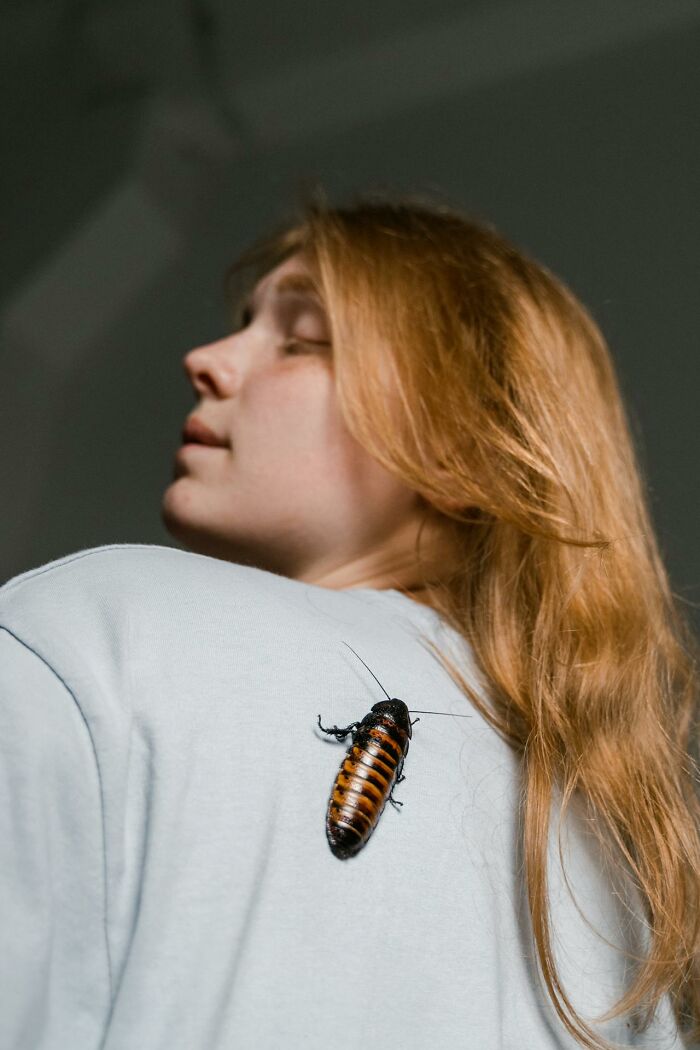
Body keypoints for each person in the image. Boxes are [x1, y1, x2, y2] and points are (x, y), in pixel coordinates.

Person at [0, 189, 697, 1050]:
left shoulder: (97, 632)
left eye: (300, 341)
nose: (204, 358)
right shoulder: (627, 859)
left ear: (453, 448)